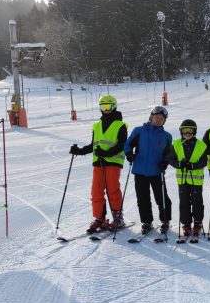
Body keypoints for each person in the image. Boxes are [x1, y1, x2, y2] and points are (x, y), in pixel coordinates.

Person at [69, 95, 128, 232]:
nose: (106, 109)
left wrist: (107, 153)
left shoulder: (120, 125)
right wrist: (80, 151)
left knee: (112, 189)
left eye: (109, 106)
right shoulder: (97, 125)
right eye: (103, 106)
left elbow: (122, 145)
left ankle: (118, 217)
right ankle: (100, 218)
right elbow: (94, 145)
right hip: (98, 163)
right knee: (96, 191)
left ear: (114, 106)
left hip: (113, 162)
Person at [124, 106, 173, 234]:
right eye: (157, 117)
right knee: (143, 198)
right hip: (140, 170)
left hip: (156, 171)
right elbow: (128, 144)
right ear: (151, 117)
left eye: (161, 119)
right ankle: (146, 222)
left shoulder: (167, 136)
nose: (158, 120)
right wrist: (129, 153)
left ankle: (165, 220)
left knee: (161, 197)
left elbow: (168, 153)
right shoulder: (139, 131)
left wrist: (165, 161)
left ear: (164, 121)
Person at [167, 119, 208, 241]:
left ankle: (197, 223)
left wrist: (193, 166)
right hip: (183, 180)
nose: (188, 133)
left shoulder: (201, 145)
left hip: (196, 181)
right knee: (184, 202)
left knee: (197, 202)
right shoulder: (176, 144)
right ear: (181, 132)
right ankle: (186, 224)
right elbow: (170, 158)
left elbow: (204, 161)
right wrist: (179, 164)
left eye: (190, 130)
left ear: (194, 131)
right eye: (185, 130)